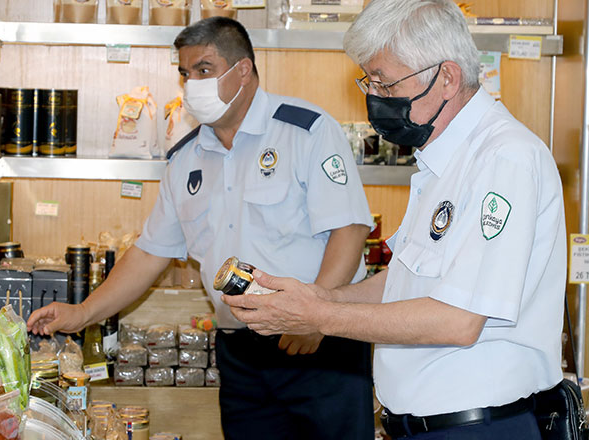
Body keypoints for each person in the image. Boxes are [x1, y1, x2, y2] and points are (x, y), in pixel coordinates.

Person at [223, 1, 567, 439]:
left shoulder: (505, 158)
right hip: (424, 427)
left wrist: (319, 318)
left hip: (477, 426)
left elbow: (458, 321)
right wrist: (322, 297)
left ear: (446, 77)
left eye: (385, 83)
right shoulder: (442, 159)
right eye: (370, 82)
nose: (375, 99)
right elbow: (405, 281)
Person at [27, 16, 376, 440]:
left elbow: (350, 230)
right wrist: (82, 314)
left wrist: (319, 316)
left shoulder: (306, 131)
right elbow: (149, 253)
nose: (191, 84)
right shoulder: (185, 159)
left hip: (320, 345)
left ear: (242, 71)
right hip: (241, 356)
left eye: (204, 70)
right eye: (185, 73)